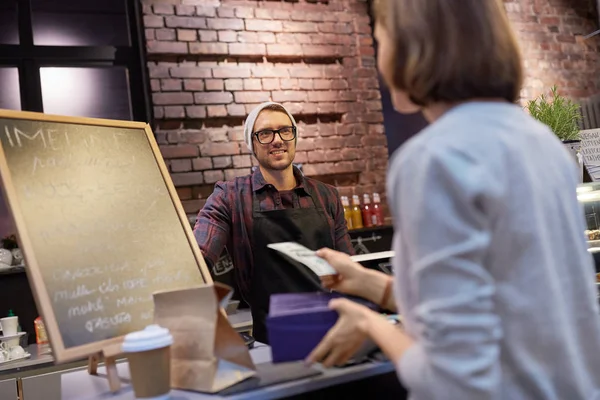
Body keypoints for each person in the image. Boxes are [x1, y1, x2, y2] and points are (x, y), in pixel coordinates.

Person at [306, 0, 600, 399]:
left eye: (380, 39)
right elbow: (511, 306)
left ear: (413, 44)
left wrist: (371, 325)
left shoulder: (433, 159)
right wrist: (372, 286)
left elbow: (454, 380)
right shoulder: (541, 143)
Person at [193, 102, 354, 343]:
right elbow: (198, 258)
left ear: (295, 137)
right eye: (265, 133)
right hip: (270, 340)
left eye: (285, 131)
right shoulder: (230, 197)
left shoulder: (327, 196)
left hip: (331, 333)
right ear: (253, 144)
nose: (277, 140)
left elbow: (349, 269)